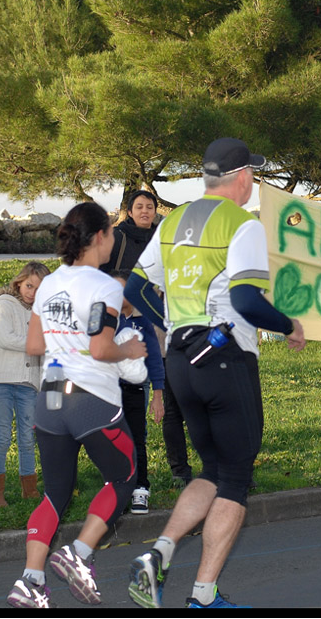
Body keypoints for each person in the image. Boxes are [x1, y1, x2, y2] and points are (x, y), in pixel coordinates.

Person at [124, 137, 307, 609]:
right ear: (242, 176)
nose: (255, 184)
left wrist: (170, 324)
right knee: (236, 479)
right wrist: (289, 326)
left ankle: (159, 553)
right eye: (255, 176)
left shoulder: (173, 221)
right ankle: (203, 597)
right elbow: (246, 300)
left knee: (211, 469)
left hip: (182, 362)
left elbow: (137, 286)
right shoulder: (242, 224)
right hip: (226, 359)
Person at [6, 202, 147, 608]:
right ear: (100, 236)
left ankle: (31, 581)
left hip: (49, 394)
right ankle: (77, 554)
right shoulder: (106, 287)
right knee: (124, 478)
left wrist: (66, 344)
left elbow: (35, 345)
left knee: (55, 494)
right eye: (112, 235)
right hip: (89, 396)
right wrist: (130, 349)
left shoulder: (49, 284)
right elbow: (103, 347)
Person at [103, 190, 196, 488]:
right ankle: (123, 471)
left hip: (169, 325)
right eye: (139, 207)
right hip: (127, 324)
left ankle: (167, 469)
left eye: (150, 206)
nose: (145, 211)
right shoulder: (117, 238)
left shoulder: (164, 240)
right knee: (127, 402)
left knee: (174, 399)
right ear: (129, 211)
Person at [0, 261, 51, 507]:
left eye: (38, 289)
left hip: (29, 383)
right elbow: (4, 338)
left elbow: (45, 353)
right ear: (19, 282)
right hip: (3, 380)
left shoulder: (43, 314)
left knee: (27, 437)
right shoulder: (5, 304)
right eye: (28, 286)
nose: (32, 293)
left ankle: (29, 488)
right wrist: (38, 343)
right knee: (2, 435)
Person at [109, 269, 166, 515]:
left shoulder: (142, 322)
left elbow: (154, 359)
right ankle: (117, 490)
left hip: (134, 389)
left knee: (136, 439)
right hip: (108, 390)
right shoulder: (104, 322)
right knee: (112, 440)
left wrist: (158, 395)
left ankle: (140, 489)